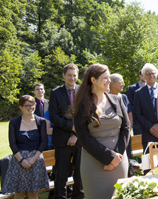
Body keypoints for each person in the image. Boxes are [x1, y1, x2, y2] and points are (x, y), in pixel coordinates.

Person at [73, 64, 130, 199]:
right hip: (94, 163)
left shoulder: (117, 100)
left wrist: (117, 157)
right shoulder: (81, 105)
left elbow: (126, 128)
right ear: (93, 80)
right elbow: (83, 137)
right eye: (105, 78)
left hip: (120, 161)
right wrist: (109, 157)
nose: (109, 81)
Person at [3, 95, 49, 198]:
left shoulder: (41, 121)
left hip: (36, 160)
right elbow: (13, 143)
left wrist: (32, 159)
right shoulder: (14, 123)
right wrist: (22, 160)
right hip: (19, 161)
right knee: (19, 194)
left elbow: (43, 141)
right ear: (21, 107)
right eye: (27, 105)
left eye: (32, 105)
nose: (30, 107)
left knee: (33, 193)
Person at [49, 64, 84, 199]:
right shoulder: (55, 93)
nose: (72, 78)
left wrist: (75, 134)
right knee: (61, 174)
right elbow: (54, 116)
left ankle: (78, 196)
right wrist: (71, 128)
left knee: (79, 173)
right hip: (61, 139)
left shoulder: (82, 91)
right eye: (69, 75)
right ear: (64, 75)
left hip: (80, 139)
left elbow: (85, 114)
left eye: (74, 75)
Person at [134, 63, 158, 172]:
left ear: (156, 74)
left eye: (153, 73)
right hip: (148, 133)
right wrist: (151, 128)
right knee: (148, 165)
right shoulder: (138, 93)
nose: (151, 76)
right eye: (148, 74)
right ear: (143, 76)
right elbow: (137, 114)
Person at [109, 73, 132, 159]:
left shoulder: (124, 97)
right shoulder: (105, 98)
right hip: (113, 136)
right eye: (121, 82)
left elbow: (130, 115)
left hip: (125, 134)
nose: (123, 84)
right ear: (113, 84)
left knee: (127, 158)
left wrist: (128, 131)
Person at [126, 70, 146, 136]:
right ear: (140, 75)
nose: (145, 77)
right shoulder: (132, 88)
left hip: (150, 121)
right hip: (137, 122)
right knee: (139, 143)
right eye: (143, 75)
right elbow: (131, 105)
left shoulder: (150, 88)